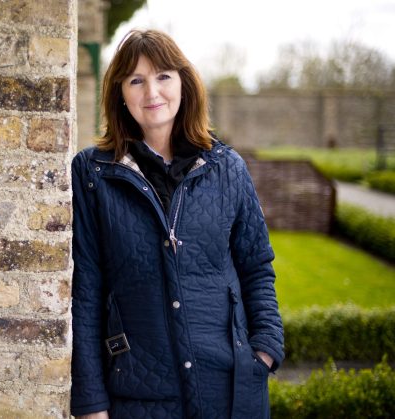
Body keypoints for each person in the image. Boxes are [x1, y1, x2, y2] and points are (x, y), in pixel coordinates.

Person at [70, 29, 284, 419]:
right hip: (137, 396)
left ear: (184, 83)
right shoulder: (92, 173)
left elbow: (256, 267)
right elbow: (87, 288)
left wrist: (265, 349)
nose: (152, 92)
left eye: (163, 76)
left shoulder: (227, 168)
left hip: (230, 390)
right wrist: (91, 401)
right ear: (120, 93)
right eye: (136, 80)